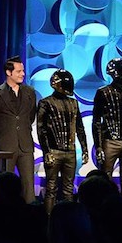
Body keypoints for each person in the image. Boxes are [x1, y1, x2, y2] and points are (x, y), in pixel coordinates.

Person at [0, 55, 37, 203]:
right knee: (5, 186)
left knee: (28, 186)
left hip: (26, 146)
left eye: (23, 71)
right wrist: (3, 134)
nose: (23, 74)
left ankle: (30, 212)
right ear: (9, 72)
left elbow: (31, 116)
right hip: (6, 147)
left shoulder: (30, 92)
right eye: (19, 71)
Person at [36, 69, 88, 213]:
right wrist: (46, 151)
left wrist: (84, 148)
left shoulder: (74, 103)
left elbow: (79, 127)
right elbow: (41, 129)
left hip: (70, 151)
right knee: (51, 188)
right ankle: (49, 220)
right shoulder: (45, 103)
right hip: (53, 151)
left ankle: (68, 218)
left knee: (68, 189)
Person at [91, 58, 122, 200]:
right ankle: (104, 208)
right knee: (105, 180)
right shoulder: (103, 92)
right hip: (109, 141)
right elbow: (96, 121)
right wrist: (99, 146)